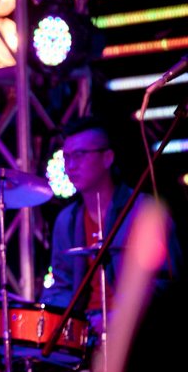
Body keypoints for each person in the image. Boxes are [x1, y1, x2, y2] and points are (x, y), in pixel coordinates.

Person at [38, 115, 183, 371]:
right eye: (67, 157)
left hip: (140, 335)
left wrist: (121, 316)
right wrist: (55, 316)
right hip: (86, 337)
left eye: (79, 155)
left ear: (107, 158)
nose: (71, 166)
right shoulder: (66, 221)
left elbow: (165, 281)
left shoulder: (143, 211)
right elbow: (61, 283)